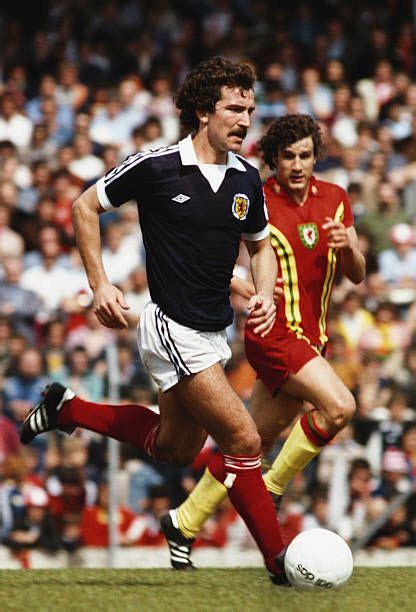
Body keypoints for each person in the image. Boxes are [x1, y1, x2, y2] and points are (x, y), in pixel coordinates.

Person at [20, 57, 288, 583]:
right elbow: (82, 207)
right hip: (171, 325)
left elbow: (261, 248)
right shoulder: (157, 165)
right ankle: (281, 563)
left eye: (251, 109)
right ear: (202, 112)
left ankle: (68, 409)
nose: (246, 118)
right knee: (244, 440)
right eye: (235, 108)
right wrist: (100, 283)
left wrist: (267, 294)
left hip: (214, 330)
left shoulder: (246, 179)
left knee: (174, 448)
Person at [160, 113, 366, 569]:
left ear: (316, 157)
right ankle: (270, 489)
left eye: (305, 155)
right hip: (272, 332)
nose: (297, 164)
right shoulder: (256, 196)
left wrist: (348, 247)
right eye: (287, 156)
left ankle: (183, 522)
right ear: (272, 159)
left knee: (248, 442)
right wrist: (239, 285)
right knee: (339, 408)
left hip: (312, 339)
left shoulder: (335, 199)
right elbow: (209, 252)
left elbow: (357, 273)